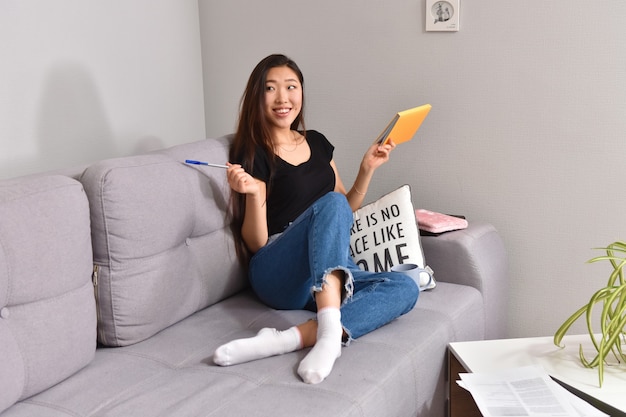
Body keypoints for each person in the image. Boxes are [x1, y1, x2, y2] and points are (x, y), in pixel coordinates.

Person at [213, 54, 419, 384]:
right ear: (257, 97)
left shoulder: (318, 142)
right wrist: (253, 194)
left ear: (301, 93)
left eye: (291, 87)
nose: (283, 98)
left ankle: (290, 339)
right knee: (332, 203)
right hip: (278, 271)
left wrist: (366, 170)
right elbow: (257, 243)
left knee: (405, 287)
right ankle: (328, 336)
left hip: (326, 268)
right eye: (271, 89)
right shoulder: (252, 151)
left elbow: (342, 212)